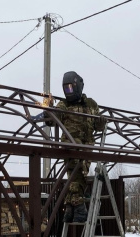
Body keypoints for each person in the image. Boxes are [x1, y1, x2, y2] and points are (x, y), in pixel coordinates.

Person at [48, 71, 107, 223]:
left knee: (75, 177)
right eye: (65, 89)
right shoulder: (64, 104)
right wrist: (49, 109)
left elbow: (98, 125)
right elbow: (51, 120)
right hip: (69, 145)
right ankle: (79, 208)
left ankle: (69, 208)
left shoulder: (91, 104)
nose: (68, 92)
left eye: (70, 88)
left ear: (78, 86)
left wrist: (100, 123)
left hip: (87, 146)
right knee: (78, 173)